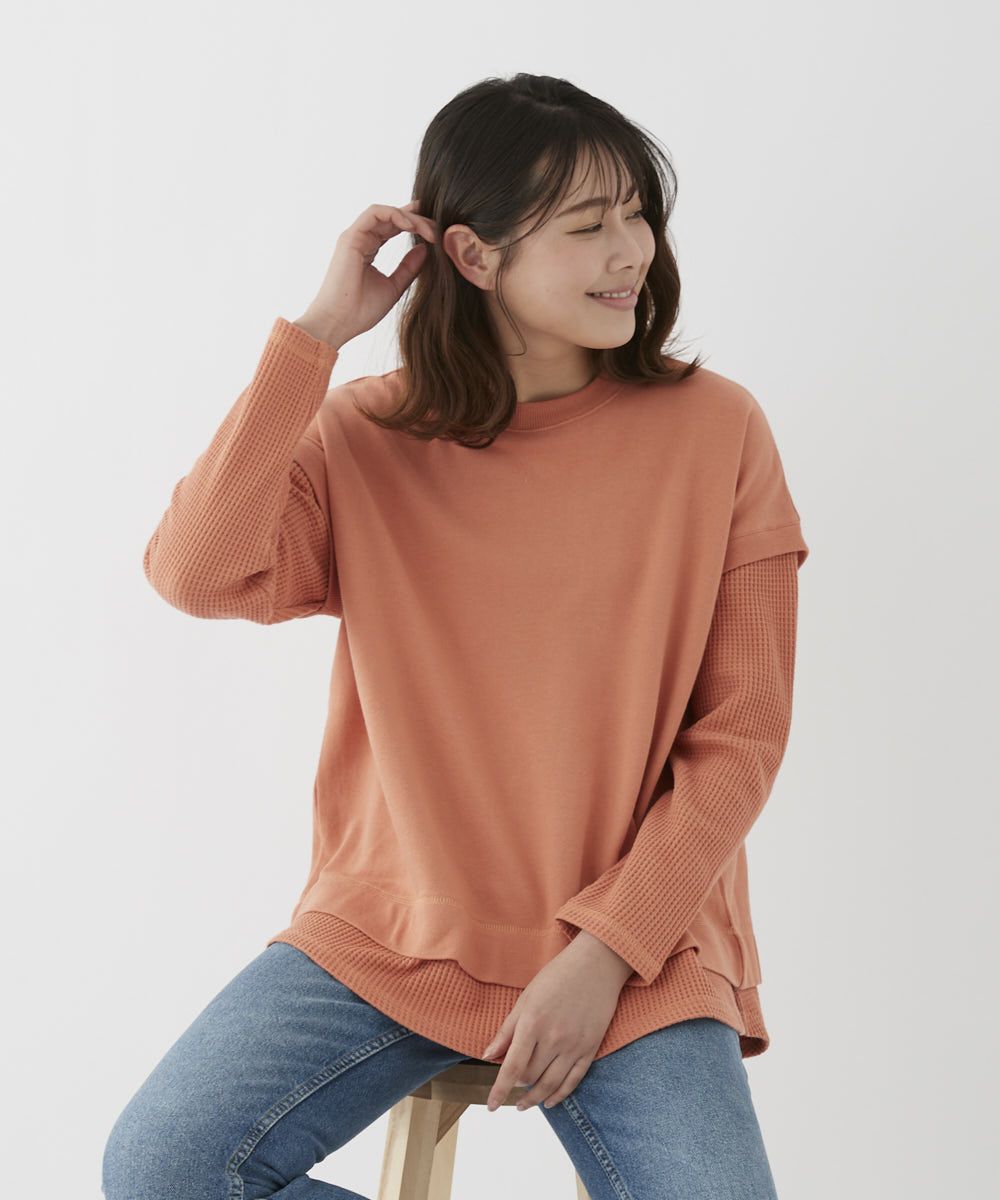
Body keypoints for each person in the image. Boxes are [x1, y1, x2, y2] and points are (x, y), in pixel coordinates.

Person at [103, 72, 808, 1199]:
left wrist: (604, 954)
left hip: (638, 950)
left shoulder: (715, 428)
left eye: (637, 214)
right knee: (162, 1170)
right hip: (395, 932)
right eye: (588, 225)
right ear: (476, 257)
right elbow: (196, 573)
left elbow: (744, 735)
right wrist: (316, 337)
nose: (630, 251)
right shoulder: (369, 435)